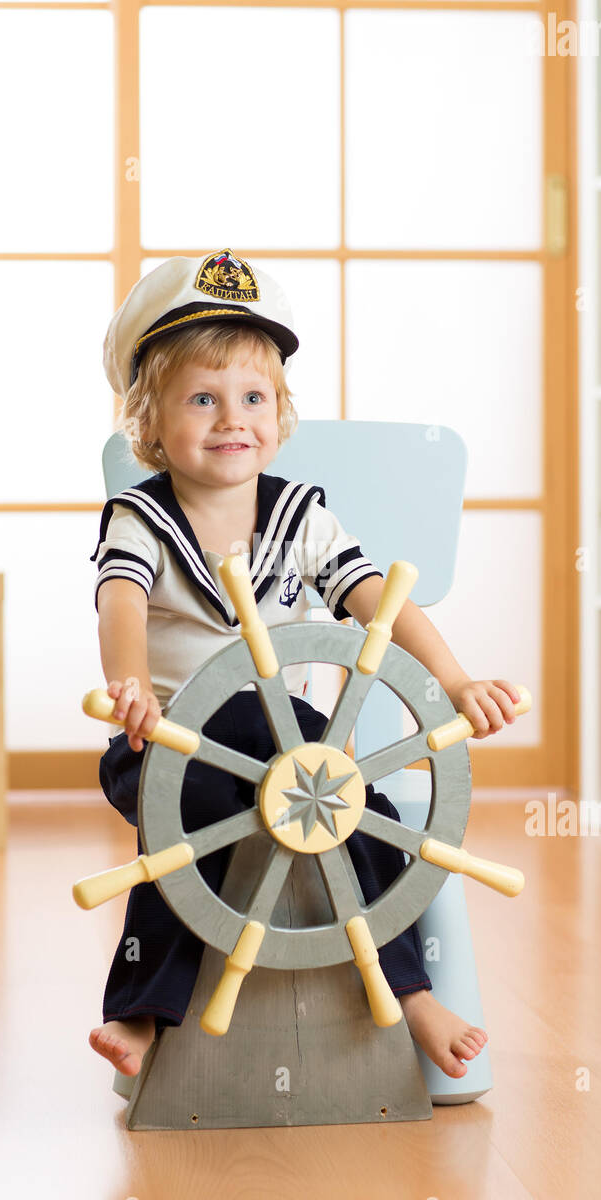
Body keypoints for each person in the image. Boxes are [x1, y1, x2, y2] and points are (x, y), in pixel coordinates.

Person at [87, 248, 520, 1084]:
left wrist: (457, 682)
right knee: (183, 837)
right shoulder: (137, 518)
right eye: (202, 399)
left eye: (253, 397)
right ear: (149, 420)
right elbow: (122, 604)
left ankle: (411, 993)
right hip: (164, 749)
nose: (231, 419)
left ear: (281, 414)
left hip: (290, 753)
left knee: (358, 805)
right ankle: (141, 1010)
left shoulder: (300, 514)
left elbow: (378, 603)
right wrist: (130, 686)